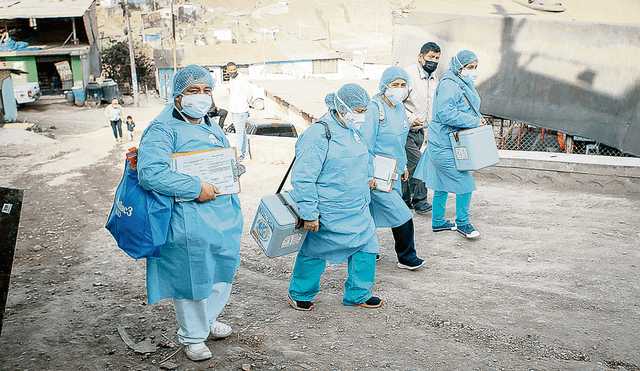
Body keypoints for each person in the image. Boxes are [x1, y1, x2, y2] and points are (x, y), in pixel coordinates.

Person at [137, 65, 243, 361]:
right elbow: (150, 173)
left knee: (221, 271)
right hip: (189, 217)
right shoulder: (163, 129)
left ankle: (207, 319)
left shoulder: (209, 122)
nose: (201, 97)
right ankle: (193, 337)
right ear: (177, 96)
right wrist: (195, 187)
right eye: (193, 91)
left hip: (223, 215)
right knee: (193, 276)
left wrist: (231, 171)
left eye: (206, 90)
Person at [287, 84, 382, 311]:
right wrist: (309, 214)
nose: (362, 115)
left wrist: (369, 176)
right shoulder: (318, 134)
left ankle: (358, 293)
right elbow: (303, 178)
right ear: (341, 108)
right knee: (315, 252)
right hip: (329, 210)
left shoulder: (354, 129)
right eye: (358, 110)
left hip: (358, 207)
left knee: (367, 249)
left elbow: (364, 156)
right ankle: (300, 292)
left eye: (364, 110)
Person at [414, 50, 485, 239]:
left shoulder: (460, 82)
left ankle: (438, 221)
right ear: (459, 67)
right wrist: (474, 121)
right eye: (469, 67)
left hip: (446, 141)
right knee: (465, 182)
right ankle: (463, 223)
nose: (473, 71)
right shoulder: (449, 85)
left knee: (440, 183)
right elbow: (446, 113)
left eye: (475, 67)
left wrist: (474, 119)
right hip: (444, 144)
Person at [363, 67, 425, 270]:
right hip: (378, 173)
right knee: (402, 213)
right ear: (384, 86)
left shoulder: (399, 108)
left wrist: (404, 164)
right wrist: (369, 174)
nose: (400, 89)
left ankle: (368, 250)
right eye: (395, 84)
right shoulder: (374, 109)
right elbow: (366, 144)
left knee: (371, 213)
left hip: (395, 172)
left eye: (403, 85)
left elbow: (400, 141)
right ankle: (406, 257)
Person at [402, 42, 441, 214]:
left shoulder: (434, 77)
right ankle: (420, 200)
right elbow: (397, 102)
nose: (434, 61)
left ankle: (405, 200)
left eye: (437, 58)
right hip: (406, 129)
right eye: (431, 57)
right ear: (421, 56)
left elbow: (432, 103)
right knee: (417, 164)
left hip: (421, 131)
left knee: (408, 166)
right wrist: (411, 119)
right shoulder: (408, 74)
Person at [225, 62, 252, 161]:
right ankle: (246, 155)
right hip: (234, 110)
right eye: (230, 70)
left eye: (234, 69)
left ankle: (239, 155)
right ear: (227, 71)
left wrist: (244, 104)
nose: (233, 71)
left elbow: (249, 94)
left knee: (239, 135)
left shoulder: (242, 79)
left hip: (241, 111)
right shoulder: (231, 80)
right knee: (242, 133)